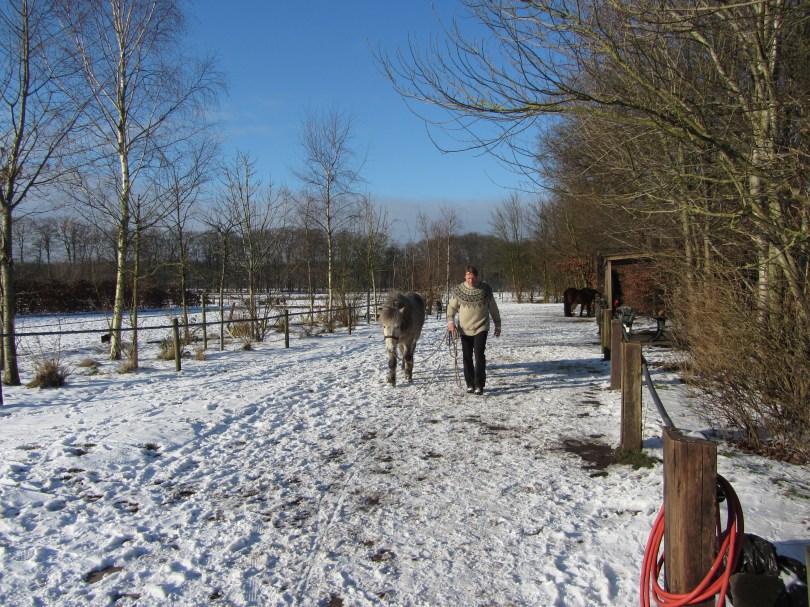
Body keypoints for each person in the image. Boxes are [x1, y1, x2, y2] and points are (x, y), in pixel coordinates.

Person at [446, 265, 501, 395]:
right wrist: (450, 321)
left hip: (481, 327)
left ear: (477, 277)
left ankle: (479, 384)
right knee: (467, 357)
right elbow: (452, 307)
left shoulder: (485, 289)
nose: (471, 281)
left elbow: (493, 307)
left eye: (473, 278)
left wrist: (497, 324)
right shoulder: (459, 290)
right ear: (465, 277)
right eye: (468, 278)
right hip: (464, 329)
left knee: (479, 355)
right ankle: (470, 383)